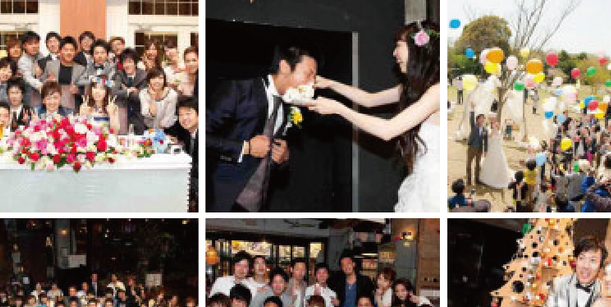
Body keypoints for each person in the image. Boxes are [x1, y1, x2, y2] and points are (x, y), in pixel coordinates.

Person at [306, 21, 442, 213]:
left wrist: (338, 109)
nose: (394, 53)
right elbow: (369, 100)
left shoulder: (437, 92)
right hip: (421, 179)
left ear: (417, 50)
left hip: (434, 183)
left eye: (398, 46)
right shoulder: (413, 88)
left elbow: (388, 130)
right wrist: (330, 84)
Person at [207, 45, 312, 210]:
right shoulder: (239, 89)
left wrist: (283, 159)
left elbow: (269, 160)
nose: (312, 83)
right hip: (222, 199)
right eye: (308, 74)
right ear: (285, 67)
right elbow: (201, 138)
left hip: (257, 204)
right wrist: (246, 148)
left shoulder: (289, 107)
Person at [479, 116, 513, 190]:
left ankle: (499, 178)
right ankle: (489, 178)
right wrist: (494, 129)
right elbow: (490, 136)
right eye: (494, 123)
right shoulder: (489, 129)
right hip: (492, 149)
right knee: (491, 162)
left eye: (497, 124)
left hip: (498, 150)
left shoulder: (500, 131)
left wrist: (501, 127)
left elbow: (501, 136)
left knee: (499, 162)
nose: (496, 125)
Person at [465, 114, 488, 189]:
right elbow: (471, 119)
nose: (482, 119)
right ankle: (469, 180)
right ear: (477, 120)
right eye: (481, 118)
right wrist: (472, 110)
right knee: (469, 164)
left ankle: (477, 180)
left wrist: (485, 150)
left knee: (478, 165)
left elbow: (486, 141)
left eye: (483, 118)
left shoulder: (485, 130)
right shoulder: (474, 126)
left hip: (480, 149)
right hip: (472, 148)